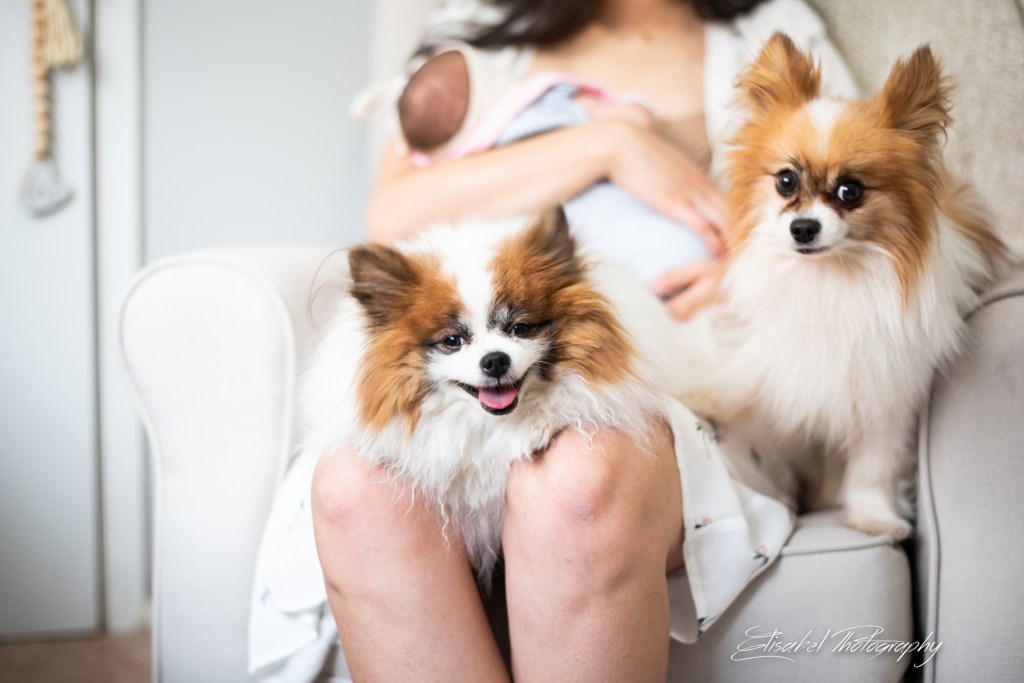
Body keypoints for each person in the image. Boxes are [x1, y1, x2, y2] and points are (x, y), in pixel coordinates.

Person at [248, 1, 859, 681]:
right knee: (355, 490)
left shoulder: (770, 32)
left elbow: (866, 191)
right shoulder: (479, 34)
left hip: (693, 377)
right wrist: (613, 146)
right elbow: (392, 214)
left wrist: (758, 272)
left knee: (576, 481)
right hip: (468, 368)